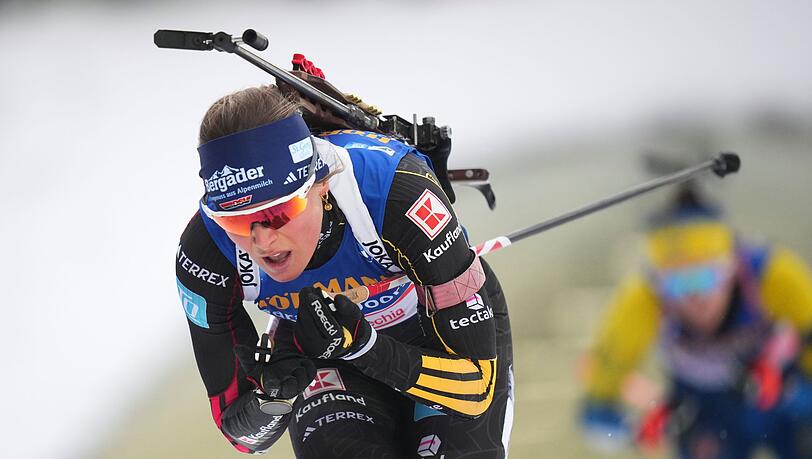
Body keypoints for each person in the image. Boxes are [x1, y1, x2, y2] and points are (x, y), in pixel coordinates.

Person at [174, 85, 515, 458]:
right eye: (237, 222)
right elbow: (243, 438)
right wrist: (272, 396)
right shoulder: (206, 251)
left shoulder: (396, 193)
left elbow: (476, 389)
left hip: (432, 337)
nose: (262, 241)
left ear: (321, 183)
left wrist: (363, 346)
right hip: (326, 356)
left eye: (278, 213)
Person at [578, 185, 812, 458]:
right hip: (704, 417)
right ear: (657, 282)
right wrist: (638, 430)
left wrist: (788, 390)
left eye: (706, 277)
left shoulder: (776, 276)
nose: (696, 297)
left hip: (786, 407)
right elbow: (594, 413)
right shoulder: (640, 301)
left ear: (733, 265)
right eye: (677, 283)